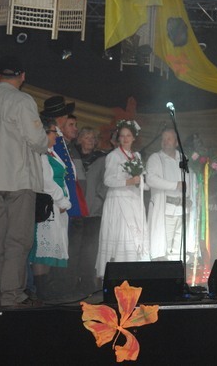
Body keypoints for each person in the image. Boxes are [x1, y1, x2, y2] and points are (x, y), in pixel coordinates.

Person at [0, 56, 48, 307]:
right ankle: (10, 295)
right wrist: (45, 140)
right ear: (22, 76)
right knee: (17, 241)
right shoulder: (22, 100)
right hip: (18, 180)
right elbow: (37, 140)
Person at [95, 120, 149, 278]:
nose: (125, 139)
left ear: (134, 138)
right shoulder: (113, 156)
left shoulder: (136, 156)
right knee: (123, 236)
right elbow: (108, 180)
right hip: (118, 201)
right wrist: (128, 181)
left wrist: (141, 182)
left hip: (134, 200)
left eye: (128, 135)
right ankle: (118, 274)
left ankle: (133, 273)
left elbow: (141, 178)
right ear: (118, 138)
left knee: (134, 237)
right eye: (122, 136)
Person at [29, 116, 71, 299]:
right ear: (45, 133)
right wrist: (62, 201)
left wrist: (65, 200)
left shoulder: (52, 153)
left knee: (52, 245)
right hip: (48, 204)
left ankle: (46, 288)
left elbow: (61, 178)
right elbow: (46, 182)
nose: (57, 135)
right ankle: (41, 290)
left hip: (58, 205)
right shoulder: (41, 154)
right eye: (55, 132)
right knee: (42, 248)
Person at [146, 128, 193, 262]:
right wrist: (175, 185)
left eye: (169, 138)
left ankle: (178, 273)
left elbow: (190, 179)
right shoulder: (156, 158)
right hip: (165, 210)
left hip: (182, 210)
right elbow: (151, 179)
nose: (165, 141)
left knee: (180, 250)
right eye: (163, 139)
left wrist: (189, 197)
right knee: (163, 249)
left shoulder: (183, 158)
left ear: (176, 142)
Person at [72, 127, 108, 295]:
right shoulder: (73, 156)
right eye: (87, 137)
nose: (91, 140)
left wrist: (99, 199)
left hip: (94, 210)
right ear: (80, 139)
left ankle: (87, 282)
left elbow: (105, 182)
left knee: (90, 248)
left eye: (93, 138)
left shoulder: (101, 158)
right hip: (75, 210)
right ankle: (72, 281)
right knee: (75, 246)